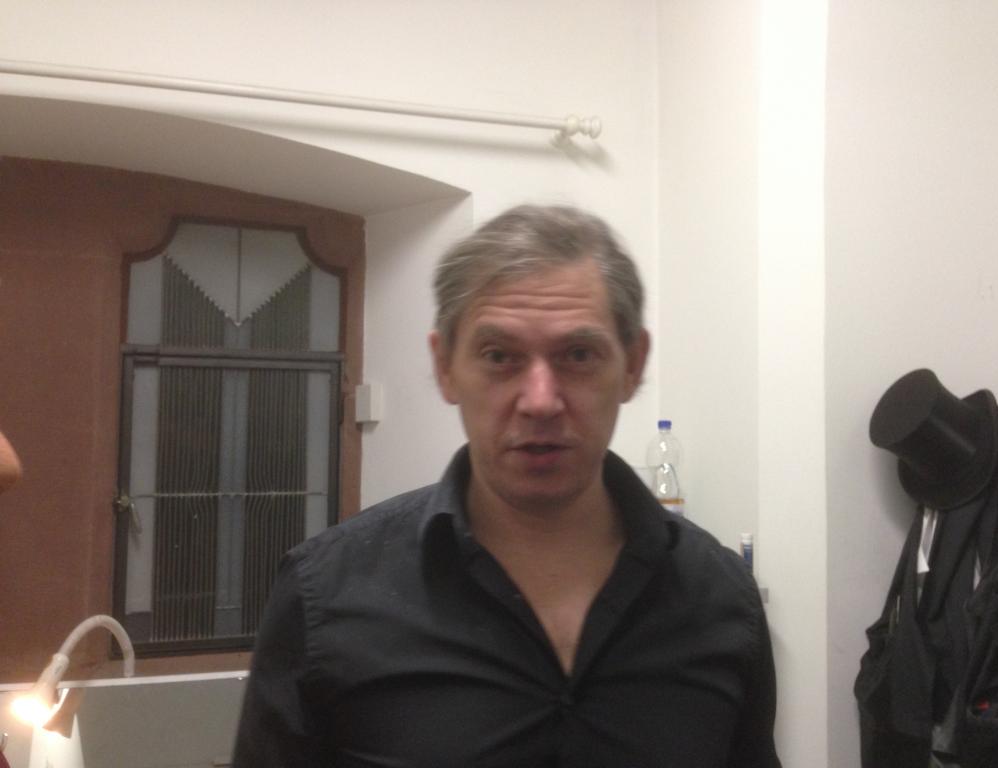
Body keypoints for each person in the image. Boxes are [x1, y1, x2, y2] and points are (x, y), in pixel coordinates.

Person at [232, 204, 781, 767]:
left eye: (578, 355)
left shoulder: (722, 599)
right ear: (446, 367)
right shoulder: (324, 594)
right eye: (499, 356)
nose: (540, 401)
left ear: (633, 364)